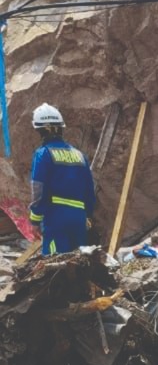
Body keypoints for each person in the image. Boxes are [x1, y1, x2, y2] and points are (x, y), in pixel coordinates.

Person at [28, 103, 96, 257]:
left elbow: (38, 190)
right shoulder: (79, 155)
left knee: (56, 265)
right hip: (79, 218)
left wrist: (35, 220)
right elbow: (89, 191)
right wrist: (87, 215)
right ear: (61, 128)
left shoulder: (43, 154)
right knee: (79, 261)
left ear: (39, 130)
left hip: (56, 216)